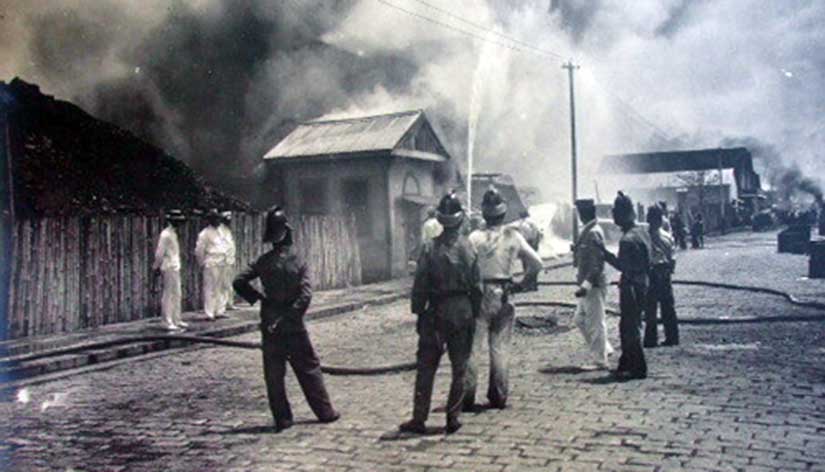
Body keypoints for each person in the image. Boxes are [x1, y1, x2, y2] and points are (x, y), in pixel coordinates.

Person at [233, 206, 339, 432]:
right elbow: (306, 295)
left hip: (270, 322)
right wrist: (291, 316)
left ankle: (282, 419)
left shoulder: (263, 261)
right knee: (309, 368)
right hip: (293, 325)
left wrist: (259, 298)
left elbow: (238, 281)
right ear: (288, 233)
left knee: (274, 374)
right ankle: (325, 413)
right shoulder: (298, 261)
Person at [400, 193, 482, 435]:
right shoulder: (468, 247)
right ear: (459, 220)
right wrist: (474, 314)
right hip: (461, 312)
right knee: (460, 368)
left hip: (434, 314)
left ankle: (419, 418)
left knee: (426, 368)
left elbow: (420, 285)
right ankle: (452, 418)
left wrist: (418, 312)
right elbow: (477, 287)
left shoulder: (428, 248)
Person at [464, 188, 542, 411]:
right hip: (505, 291)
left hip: (480, 294)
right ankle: (498, 395)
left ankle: (467, 396)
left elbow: (465, 266)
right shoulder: (513, 236)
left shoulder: (474, 238)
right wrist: (523, 283)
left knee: (474, 348)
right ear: (503, 213)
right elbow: (537, 263)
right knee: (500, 347)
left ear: (484, 214)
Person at [602, 192, 650, 381]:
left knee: (630, 327)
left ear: (623, 214)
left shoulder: (627, 240)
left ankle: (638, 367)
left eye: (616, 212)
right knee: (631, 324)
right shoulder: (642, 233)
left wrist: (604, 254)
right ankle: (626, 362)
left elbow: (622, 265)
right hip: (643, 283)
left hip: (631, 285)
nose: (614, 216)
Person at [572, 199, 613, 369]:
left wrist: (586, 285)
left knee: (595, 322)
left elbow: (597, 263)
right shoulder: (589, 231)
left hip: (593, 285)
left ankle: (600, 360)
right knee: (580, 319)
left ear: (584, 213)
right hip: (589, 283)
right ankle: (604, 348)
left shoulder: (592, 232)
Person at [644, 205, 679, 348]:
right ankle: (672, 337)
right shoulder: (667, 236)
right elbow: (673, 258)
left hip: (653, 272)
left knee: (651, 308)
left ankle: (651, 339)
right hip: (663, 272)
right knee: (667, 307)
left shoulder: (645, 236)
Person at [152, 210, 188, 331]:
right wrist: (156, 266)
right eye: (176, 221)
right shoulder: (165, 234)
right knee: (169, 294)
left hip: (175, 266)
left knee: (177, 293)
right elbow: (160, 253)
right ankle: (167, 321)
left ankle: (177, 319)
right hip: (168, 267)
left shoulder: (173, 234)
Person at [195, 209, 230, 320]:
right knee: (210, 288)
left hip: (222, 261)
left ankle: (219, 310)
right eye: (216, 219)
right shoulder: (204, 234)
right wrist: (202, 263)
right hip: (211, 262)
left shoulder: (221, 231)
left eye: (219, 218)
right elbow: (199, 250)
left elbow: (225, 245)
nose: (218, 221)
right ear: (211, 220)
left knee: (221, 287)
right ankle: (209, 313)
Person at [513, 210, 543, 291]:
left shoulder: (522, 223)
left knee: (526, 265)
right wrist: (536, 244)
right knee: (533, 264)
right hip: (533, 243)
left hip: (527, 243)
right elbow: (539, 234)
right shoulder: (533, 222)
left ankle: (528, 285)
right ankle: (534, 285)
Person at [218, 211, 237, 312]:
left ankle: (229, 302)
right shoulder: (220, 231)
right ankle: (222, 305)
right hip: (223, 261)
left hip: (229, 261)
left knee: (229, 283)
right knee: (223, 284)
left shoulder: (227, 231)